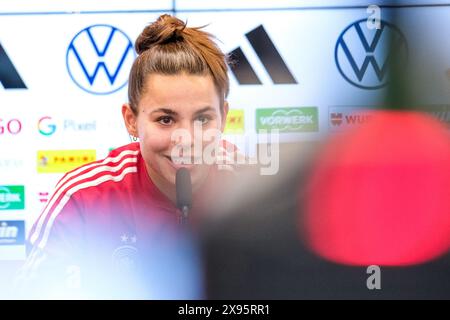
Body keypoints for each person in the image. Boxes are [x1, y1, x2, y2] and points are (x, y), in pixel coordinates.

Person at [16, 14, 238, 299]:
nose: (187, 140)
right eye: (166, 120)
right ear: (131, 120)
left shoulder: (259, 195)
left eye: (203, 119)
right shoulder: (82, 197)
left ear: (224, 117)